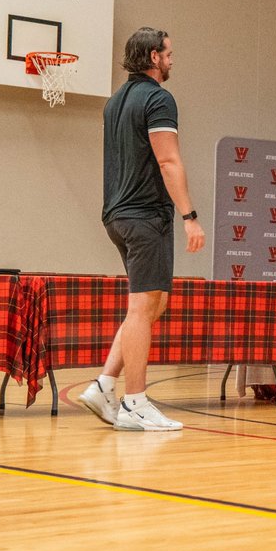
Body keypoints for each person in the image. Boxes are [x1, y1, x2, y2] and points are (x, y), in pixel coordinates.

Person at [78, 27, 205, 431]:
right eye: (168, 54)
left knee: (151, 305)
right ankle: (135, 402)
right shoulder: (157, 98)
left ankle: (103, 384)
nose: (172, 60)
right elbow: (168, 161)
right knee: (142, 307)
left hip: (117, 214)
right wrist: (190, 216)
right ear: (153, 56)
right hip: (144, 215)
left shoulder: (115, 102)